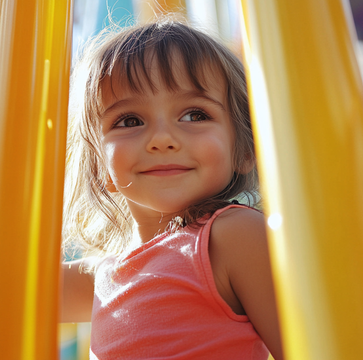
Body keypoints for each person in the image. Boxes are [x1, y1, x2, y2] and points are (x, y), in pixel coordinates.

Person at [61, 18, 284, 360]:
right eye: (130, 121)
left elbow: (311, 345)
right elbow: (8, 290)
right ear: (97, 164)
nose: (162, 139)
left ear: (244, 148)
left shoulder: (230, 238)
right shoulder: (104, 274)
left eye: (195, 115)